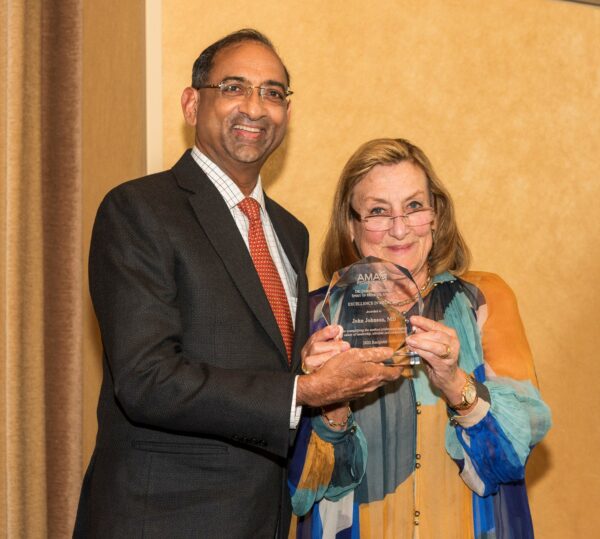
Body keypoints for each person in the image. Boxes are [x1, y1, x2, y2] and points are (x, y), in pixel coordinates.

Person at [73, 31, 401, 539]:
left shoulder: (291, 232)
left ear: (287, 116)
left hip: (262, 518)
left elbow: (263, 364)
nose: (256, 106)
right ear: (191, 103)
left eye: (273, 93)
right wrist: (302, 388)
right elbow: (146, 379)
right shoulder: (138, 209)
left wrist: (308, 363)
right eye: (234, 87)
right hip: (161, 519)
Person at [288, 138, 552, 538]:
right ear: (351, 225)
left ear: (436, 215)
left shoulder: (482, 302)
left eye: (413, 207)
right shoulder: (314, 317)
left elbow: (511, 460)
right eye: (378, 211)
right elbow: (301, 493)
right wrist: (330, 400)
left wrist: (453, 382)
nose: (399, 228)